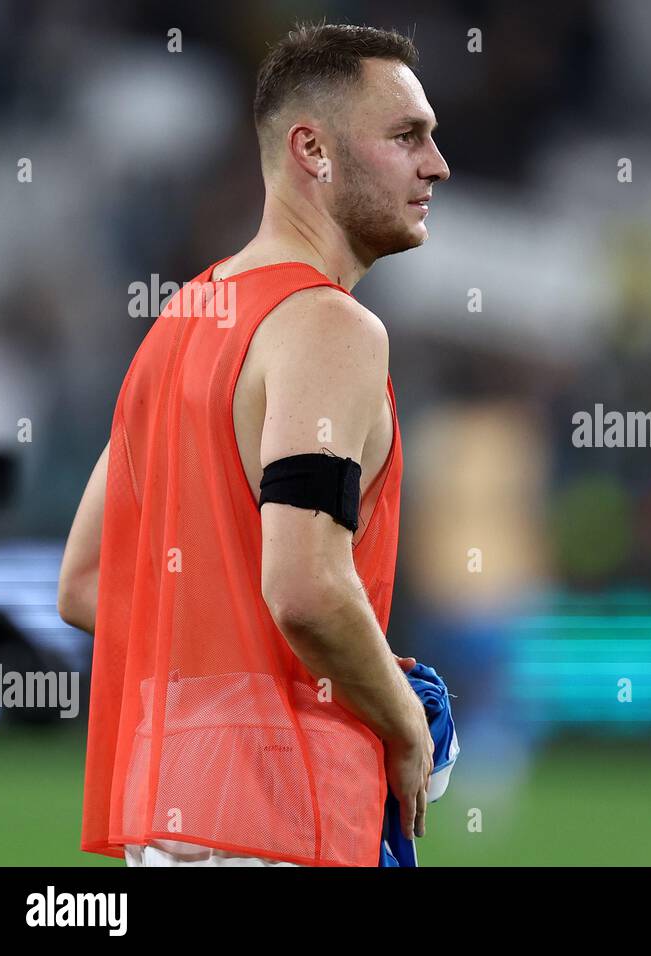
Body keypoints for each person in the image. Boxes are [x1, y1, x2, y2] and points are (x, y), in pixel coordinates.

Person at [57, 21, 450, 867]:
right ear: (313, 149)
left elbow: (88, 583)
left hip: (178, 809)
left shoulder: (181, 320)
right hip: (285, 811)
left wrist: (246, 659)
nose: (436, 165)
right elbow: (306, 588)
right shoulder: (328, 326)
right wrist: (400, 716)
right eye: (407, 136)